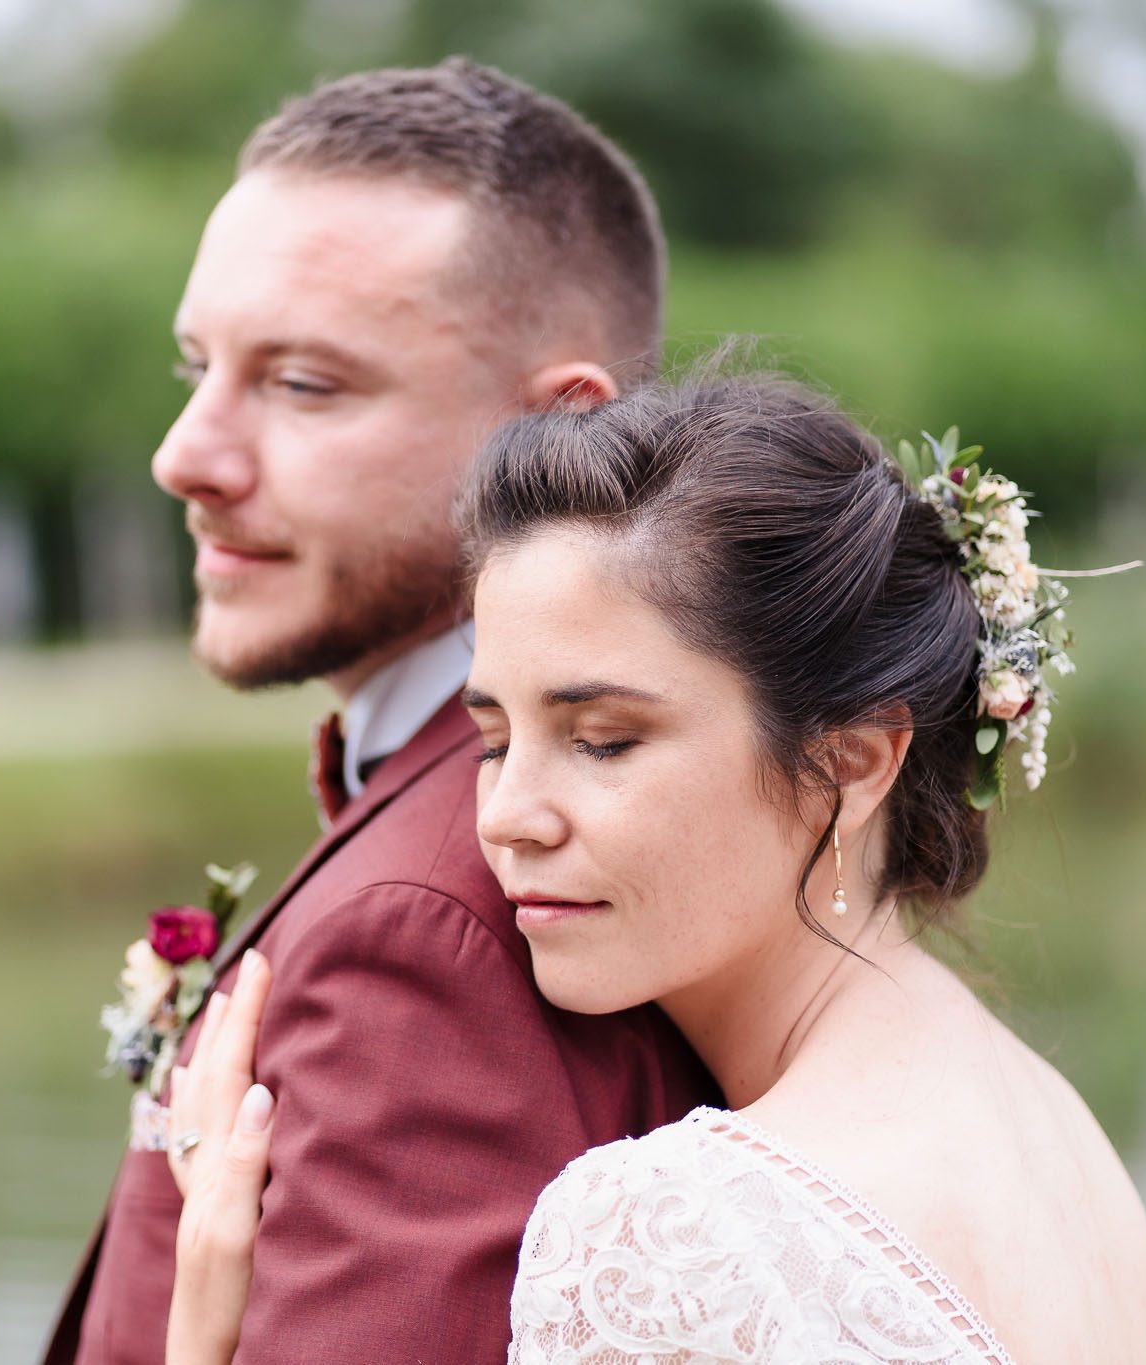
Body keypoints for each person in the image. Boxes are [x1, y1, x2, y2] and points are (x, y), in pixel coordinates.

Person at [161, 373, 1146, 1363]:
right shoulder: (1062, 1137)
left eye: (601, 740)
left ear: (851, 762)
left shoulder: (666, 1232)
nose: (507, 818)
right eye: (489, 742)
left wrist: (205, 1327)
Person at [40, 60, 718, 1365]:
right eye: (196, 366)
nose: (185, 453)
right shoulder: (555, 815)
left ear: (561, 437)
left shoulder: (436, 928)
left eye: (304, 384)